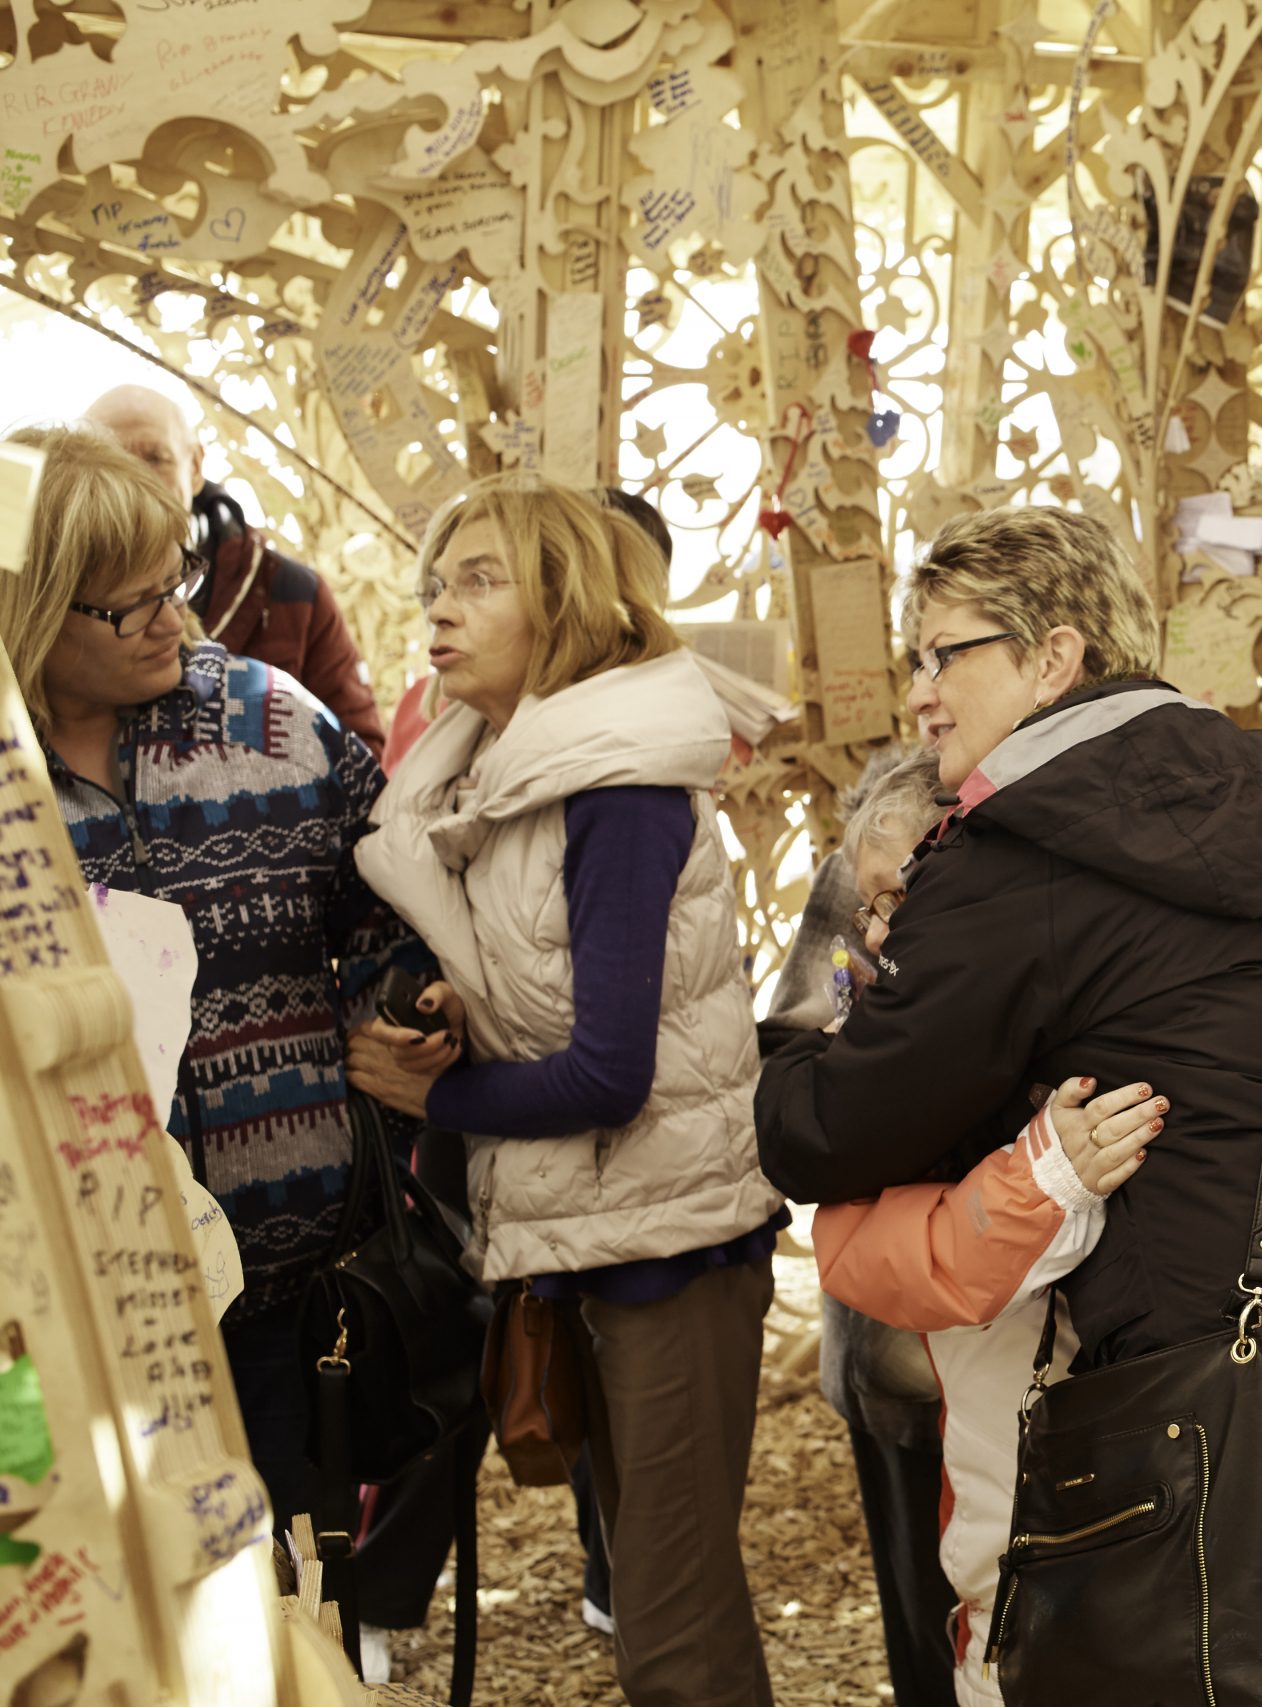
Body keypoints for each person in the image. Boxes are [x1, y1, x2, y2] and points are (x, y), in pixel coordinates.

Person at [756, 504, 1262, 1705]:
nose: (920, 692)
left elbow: (825, 1132)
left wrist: (793, 1037)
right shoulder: (1258, 795)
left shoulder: (1003, 856)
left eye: (944, 653)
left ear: (1052, 657)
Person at [343, 474, 784, 1707]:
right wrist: (445, 1018)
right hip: (599, 1230)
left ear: (566, 598)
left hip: (673, 1246)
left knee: (672, 1635)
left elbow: (609, 1071)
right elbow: (536, 988)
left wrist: (439, 1105)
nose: (441, 608)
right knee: (675, 1612)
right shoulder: (503, 774)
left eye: (480, 579)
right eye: (436, 582)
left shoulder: (618, 785)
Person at [0, 424, 430, 1531]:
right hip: (60, 1325)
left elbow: (391, 919)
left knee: (284, 1612)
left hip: (287, 1296)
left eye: (174, 582)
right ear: (34, 606)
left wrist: (401, 1021)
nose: (172, 619)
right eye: (126, 604)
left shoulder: (274, 723)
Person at [759, 745, 962, 1707]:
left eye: (946, 661)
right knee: (924, 1612)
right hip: (895, 1345)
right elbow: (792, 1045)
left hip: (1027, 1335)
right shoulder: (883, 830)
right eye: (921, 661)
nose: (928, 691)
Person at [82, 385, 387, 753]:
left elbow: (358, 749)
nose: (134, 479)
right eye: (112, 461)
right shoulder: (60, 597)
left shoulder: (291, 591)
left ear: (194, 465)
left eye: (156, 458)